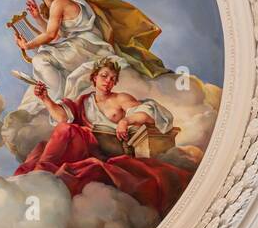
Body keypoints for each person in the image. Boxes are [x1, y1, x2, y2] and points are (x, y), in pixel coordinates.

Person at [16, 59, 190, 215]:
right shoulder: (83, 101)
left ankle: (41, 174)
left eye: (113, 78)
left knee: (66, 132)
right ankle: (40, 176)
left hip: (109, 150)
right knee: (53, 138)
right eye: (104, 76)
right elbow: (62, 118)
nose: (108, 81)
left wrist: (126, 121)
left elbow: (147, 114)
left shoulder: (121, 98)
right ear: (94, 78)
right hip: (84, 147)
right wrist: (45, 98)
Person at [15, 0, 170, 105]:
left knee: (40, 58)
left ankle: (56, 100)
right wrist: (37, 18)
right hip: (87, 45)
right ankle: (58, 97)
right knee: (45, 53)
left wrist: (27, 46)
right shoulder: (58, 5)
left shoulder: (59, 2)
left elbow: (50, 35)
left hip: (85, 45)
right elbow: (57, 35)